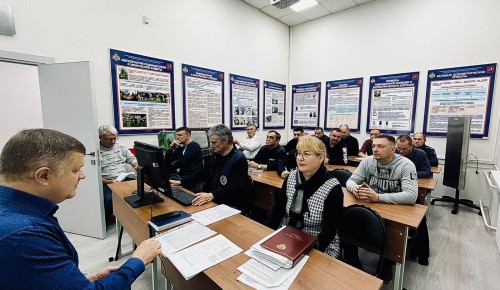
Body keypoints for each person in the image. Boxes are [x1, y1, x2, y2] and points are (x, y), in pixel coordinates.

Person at [0, 129, 161, 289]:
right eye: (75, 170)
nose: (82, 175)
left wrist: (83, 279)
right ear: (43, 176)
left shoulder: (15, 213)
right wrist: (138, 260)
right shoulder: (24, 235)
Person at [345, 134, 418, 282]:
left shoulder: (405, 164)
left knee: (393, 241)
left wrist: (378, 197)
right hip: (372, 205)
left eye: (380, 146)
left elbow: (411, 196)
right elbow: (351, 181)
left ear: (393, 149)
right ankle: (352, 263)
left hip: (395, 210)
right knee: (346, 222)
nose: (375, 150)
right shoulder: (368, 161)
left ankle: (387, 265)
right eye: (373, 146)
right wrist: (356, 189)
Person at [268, 137, 344, 258]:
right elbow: (278, 209)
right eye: (299, 153)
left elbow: (329, 231)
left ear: (321, 158)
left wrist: (304, 251)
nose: (300, 158)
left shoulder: (332, 187)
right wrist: (268, 235)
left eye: (306, 154)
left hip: (318, 243)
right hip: (290, 235)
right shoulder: (292, 177)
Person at [192, 124, 249, 209]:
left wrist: (212, 195)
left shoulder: (239, 159)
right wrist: (182, 182)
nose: (211, 145)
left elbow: (235, 187)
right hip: (214, 199)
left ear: (225, 140)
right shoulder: (216, 155)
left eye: (214, 142)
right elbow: (203, 174)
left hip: (229, 203)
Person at [396, 135, 431, 266]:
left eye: (404, 149)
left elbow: (427, 172)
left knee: (419, 222)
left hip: (412, 190)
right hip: (397, 190)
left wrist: (408, 174)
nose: (400, 151)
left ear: (411, 146)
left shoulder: (420, 154)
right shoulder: (394, 153)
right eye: (398, 148)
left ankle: (422, 255)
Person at [99, 124, 137, 222]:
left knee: (140, 191)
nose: (113, 142)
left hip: (123, 178)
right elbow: (94, 175)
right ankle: (106, 222)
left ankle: (133, 219)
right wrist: (109, 182)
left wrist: (137, 167)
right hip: (107, 181)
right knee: (108, 200)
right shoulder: (95, 151)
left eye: (114, 138)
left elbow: (132, 159)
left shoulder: (120, 146)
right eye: (109, 139)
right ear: (100, 138)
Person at [166, 127, 204, 192]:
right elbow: (168, 159)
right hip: (182, 178)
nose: (177, 137)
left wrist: (173, 163)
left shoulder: (194, 146)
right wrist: (171, 147)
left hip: (191, 182)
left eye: (180, 135)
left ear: (188, 136)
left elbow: (182, 162)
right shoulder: (182, 147)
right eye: (176, 135)